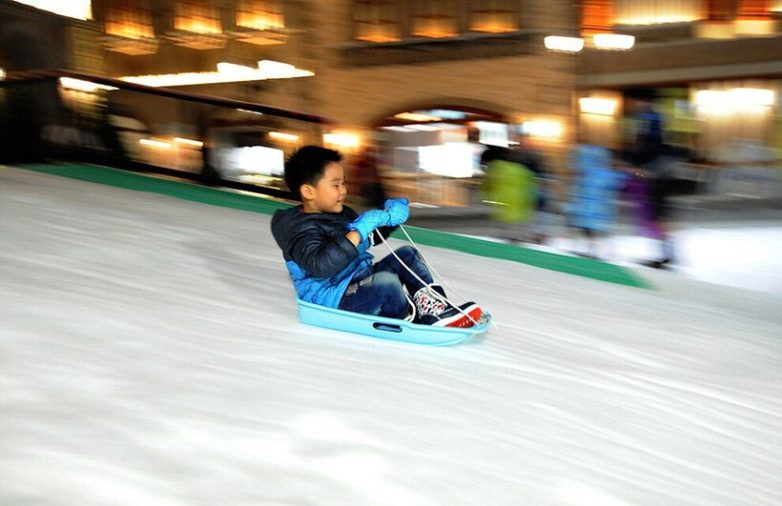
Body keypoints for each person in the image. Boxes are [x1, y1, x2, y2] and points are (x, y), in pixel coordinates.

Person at [271, 145, 482, 328]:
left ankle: (435, 309)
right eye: (336, 185)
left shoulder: (341, 213)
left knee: (406, 256)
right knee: (386, 284)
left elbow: (369, 238)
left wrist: (390, 218)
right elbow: (321, 266)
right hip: (331, 296)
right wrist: (358, 230)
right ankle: (409, 317)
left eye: (344, 183)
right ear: (309, 192)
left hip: (359, 277)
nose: (343, 190)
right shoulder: (297, 229)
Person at [622, 93, 676, 268]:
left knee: (654, 217)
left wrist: (635, 168)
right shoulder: (655, 133)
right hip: (660, 178)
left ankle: (666, 253)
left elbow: (644, 153)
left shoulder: (649, 133)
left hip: (655, 180)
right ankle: (666, 253)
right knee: (657, 217)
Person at [566, 142, 627, 259]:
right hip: (589, 210)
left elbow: (616, 183)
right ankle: (592, 249)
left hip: (596, 210)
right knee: (586, 229)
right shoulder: (588, 175)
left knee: (593, 230)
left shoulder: (598, 175)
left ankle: (596, 251)